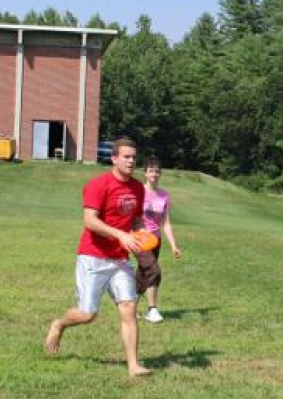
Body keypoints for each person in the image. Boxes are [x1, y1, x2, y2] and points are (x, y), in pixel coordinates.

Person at [44, 136, 152, 377]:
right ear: (114, 158)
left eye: (134, 157)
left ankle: (133, 366)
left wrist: (140, 234)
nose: (131, 161)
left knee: (129, 309)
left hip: (120, 259)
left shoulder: (137, 188)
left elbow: (134, 219)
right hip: (93, 257)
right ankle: (59, 324)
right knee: (87, 314)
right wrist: (120, 236)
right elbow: (90, 221)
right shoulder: (98, 184)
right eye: (126, 157)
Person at [134, 156, 182, 323]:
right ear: (145, 173)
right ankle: (152, 310)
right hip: (139, 240)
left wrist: (174, 246)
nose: (154, 174)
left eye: (157, 171)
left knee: (143, 273)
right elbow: (131, 216)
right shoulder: (138, 191)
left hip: (156, 240)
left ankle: (130, 307)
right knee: (154, 271)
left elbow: (166, 223)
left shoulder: (164, 195)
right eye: (151, 171)